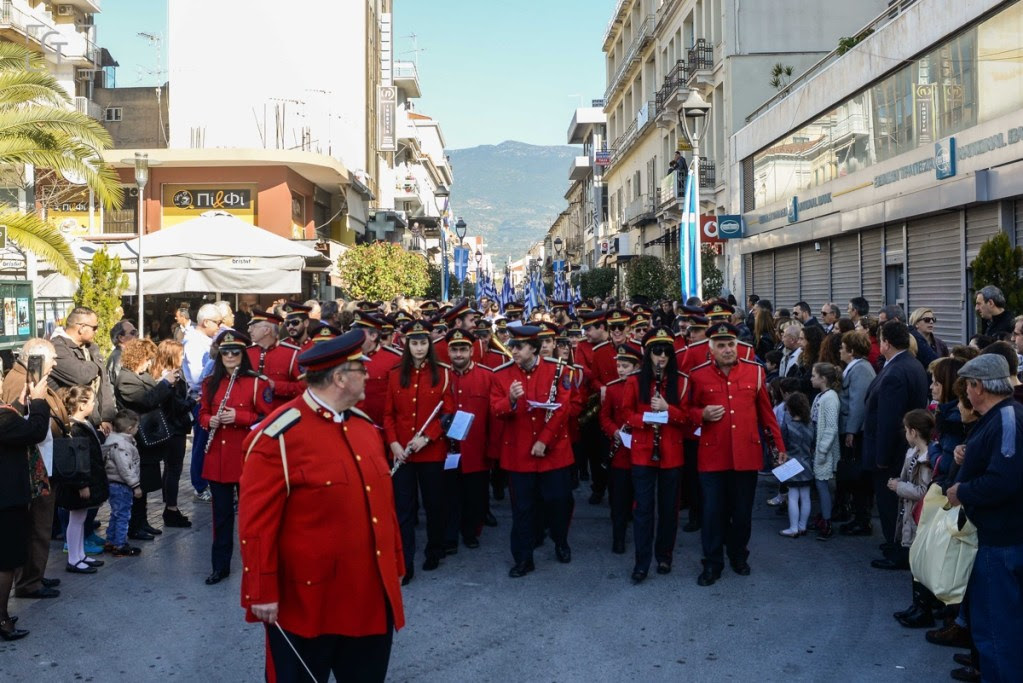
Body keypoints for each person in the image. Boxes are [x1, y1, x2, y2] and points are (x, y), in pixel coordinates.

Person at [239, 330, 405, 682]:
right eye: (361, 370)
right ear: (340, 378)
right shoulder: (277, 438)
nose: (369, 376)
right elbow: (257, 525)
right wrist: (261, 592)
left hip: (367, 597)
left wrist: (395, 564)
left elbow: (382, 505)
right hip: (306, 602)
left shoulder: (363, 427)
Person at [687, 323, 785, 586]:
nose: (728, 349)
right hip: (713, 457)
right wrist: (701, 414)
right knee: (712, 514)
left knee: (741, 513)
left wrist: (779, 448)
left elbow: (766, 414)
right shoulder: (697, 375)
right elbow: (686, 412)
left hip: (745, 455)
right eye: (721, 345)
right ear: (711, 349)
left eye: (731, 344)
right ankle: (712, 563)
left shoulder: (754, 372)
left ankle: (739, 555)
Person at [945, 354, 1023, 679]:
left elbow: (1002, 481)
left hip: (1000, 541)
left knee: (997, 632)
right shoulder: (1000, 417)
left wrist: (960, 492)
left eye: (967, 385)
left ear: (979, 386)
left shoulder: (1006, 418)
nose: (965, 393)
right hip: (997, 537)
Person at [490, 325, 574, 578]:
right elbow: (496, 409)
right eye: (512, 345)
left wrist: (545, 440)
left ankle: (560, 541)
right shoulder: (501, 375)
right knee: (523, 509)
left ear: (534, 348)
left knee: (558, 502)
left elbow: (563, 409)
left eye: (518, 346)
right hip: (520, 454)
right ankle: (524, 558)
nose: (512, 350)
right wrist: (512, 401)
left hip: (554, 451)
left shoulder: (558, 369)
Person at [198, 330, 272, 585]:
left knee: (251, 517)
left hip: (246, 458)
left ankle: (257, 566)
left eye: (235, 352)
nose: (229, 356)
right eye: (225, 351)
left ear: (243, 354)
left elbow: (267, 419)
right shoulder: (210, 383)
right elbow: (202, 415)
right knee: (221, 517)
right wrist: (211, 420)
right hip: (218, 458)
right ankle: (220, 567)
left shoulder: (257, 382)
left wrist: (240, 418)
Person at [383, 320, 454, 583]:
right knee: (404, 509)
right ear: (406, 345)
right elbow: (388, 415)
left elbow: (448, 413)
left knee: (435, 505)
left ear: (430, 344)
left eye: (423, 342)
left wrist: (428, 437)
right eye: (414, 343)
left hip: (431, 452)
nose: (420, 348)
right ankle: (406, 561)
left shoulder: (443, 373)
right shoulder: (394, 374)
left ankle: (434, 550)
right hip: (402, 452)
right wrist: (393, 444)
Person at [621, 327, 689, 584]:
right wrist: (647, 417)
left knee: (669, 509)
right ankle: (641, 562)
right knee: (643, 510)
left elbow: (686, 417)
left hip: (671, 453)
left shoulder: (680, 381)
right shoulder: (634, 381)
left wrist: (667, 409)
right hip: (643, 452)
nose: (661, 357)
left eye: (666, 353)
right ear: (648, 353)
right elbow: (626, 414)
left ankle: (665, 555)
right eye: (656, 352)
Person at [1, 339, 67, 600]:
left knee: (39, 528)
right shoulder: (20, 380)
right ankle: (29, 581)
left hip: (39, 465)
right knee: (35, 528)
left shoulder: (29, 378)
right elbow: (24, 427)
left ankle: (33, 575)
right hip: (32, 469)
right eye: (52, 358)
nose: (55, 364)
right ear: (35, 359)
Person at [864, 320, 929, 569]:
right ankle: (894, 543)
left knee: (891, 503)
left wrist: (881, 458)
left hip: (892, 453)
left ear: (886, 343)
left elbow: (888, 421)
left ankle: (897, 551)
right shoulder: (910, 364)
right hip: (902, 448)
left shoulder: (896, 372)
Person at [0, 373, 51, 640]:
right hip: (6, 500)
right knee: (5, 563)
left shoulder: (6, 417)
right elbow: (35, 431)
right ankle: (2, 619)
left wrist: (19, 407)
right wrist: (40, 402)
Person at [114, 338, 178, 540]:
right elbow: (147, 400)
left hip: (148, 436)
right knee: (138, 483)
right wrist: (166, 383)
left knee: (146, 483)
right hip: (138, 437)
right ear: (138, 358)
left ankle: (143, 522)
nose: (149, 363)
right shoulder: (126, 379)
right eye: (147, 359)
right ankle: (135, 525)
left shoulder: (140, 375)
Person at [442, 328, 495, 552]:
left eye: (463, 349)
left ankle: (471, 532)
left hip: (477, 448)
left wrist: (492, 449)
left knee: (475, 495)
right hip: (447, 448)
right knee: (449, 496)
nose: (459, 354)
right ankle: (450, 537)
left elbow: (493, 417)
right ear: (448, 351)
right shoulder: (442, 376)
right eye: (454, 349)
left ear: (472, 351)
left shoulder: (487, 376)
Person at [888, 408, 940, 629]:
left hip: (920, 516)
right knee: (915, 562)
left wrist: (899, 486)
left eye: (906, 429)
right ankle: (917, 605)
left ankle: (923, 608)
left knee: (920, 563)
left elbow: (923, 490)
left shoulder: (926, 459)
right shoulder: (913, 453)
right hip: (910, 513)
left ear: (914, 432)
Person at [56, 385, 109, 575]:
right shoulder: (74, 428)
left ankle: (79, 554)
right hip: (79, 484)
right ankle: (73, 558)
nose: (94, 404)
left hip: (87, 479)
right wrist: (82, 484)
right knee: (76, 519)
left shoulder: (83, 424)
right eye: (92, 401)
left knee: (80, 518)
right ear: (81, 404)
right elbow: (76, 461)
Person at [600, 342, 641, 555]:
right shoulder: (613, 387)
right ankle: (618, 537)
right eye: (619, 366)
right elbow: (604, 417)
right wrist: (614, 431)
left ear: (636, 367)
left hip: (640, 450)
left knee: (640, 497)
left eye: (625, 366)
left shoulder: (644, 386)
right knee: (618, 497)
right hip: (620, 453)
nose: (621, 370)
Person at [49, 307, 115, 434]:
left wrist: (106, 417)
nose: (96, 332)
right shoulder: (57, 347)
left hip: (94, 420)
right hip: (71, 424)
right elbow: (81, 376)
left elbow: (104, 384)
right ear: (82, 328)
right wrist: (95, 365)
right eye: (94, 327)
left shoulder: (92, 348)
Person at [150, 340, 195, 528]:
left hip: (166, 426)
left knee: (170, 468)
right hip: (174, 428)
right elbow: (177, 406)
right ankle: (171, 508)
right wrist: (194, 401)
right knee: (174, 469)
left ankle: (170, 506)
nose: (183, 358)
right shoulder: (172, 377)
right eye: (181, 354)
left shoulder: (157, 374)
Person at [183, 302, 222, 503]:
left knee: (208, 442)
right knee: (200, 443)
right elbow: (197, 375)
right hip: (201, 398)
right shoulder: (195, 342)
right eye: (218, 322)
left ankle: (205, 480)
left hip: (210, 397)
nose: (219, 326)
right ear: (206, 321)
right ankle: (199, 484)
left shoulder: (204, 340)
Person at [102, 409, 143, 557]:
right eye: (137, 427)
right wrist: (135, 486)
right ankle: (120, 544)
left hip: (114, 484)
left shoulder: (114, 440)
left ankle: (111, 540)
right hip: (121, 485)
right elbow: (125, 468)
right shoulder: (122, 445)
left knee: (116, 513)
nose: (138, 430)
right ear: (130, 429)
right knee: (123, 515)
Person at [246, 308, 303, 413]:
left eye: (253, 327)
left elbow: (303, 387)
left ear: (267, 330)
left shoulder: (293, 354)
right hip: (250, 416)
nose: (249, 330)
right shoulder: (246, 353)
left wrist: (275, 386)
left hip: (280, 415)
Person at [353, 311, 401, 425]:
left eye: (359, 333)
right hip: (354, 425)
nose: (354, 337)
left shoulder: (393, 359)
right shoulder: (348, 358)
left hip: (381, 427)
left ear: (373, 336)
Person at [777, 392, 815, 537]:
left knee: (793, 497)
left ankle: (793, 528)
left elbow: (783, 444)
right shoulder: (810, 425)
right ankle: (802, 526)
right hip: (807, 464)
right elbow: (813, 444)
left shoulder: (787, 425)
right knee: (806, 497)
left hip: (791, 464)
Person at [105, 320, 138, 386]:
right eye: (133, 332)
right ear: (121, 338)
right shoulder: (119, 358)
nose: (137, 335)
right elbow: (125, 387)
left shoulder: (123, 355)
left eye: (136, 331)